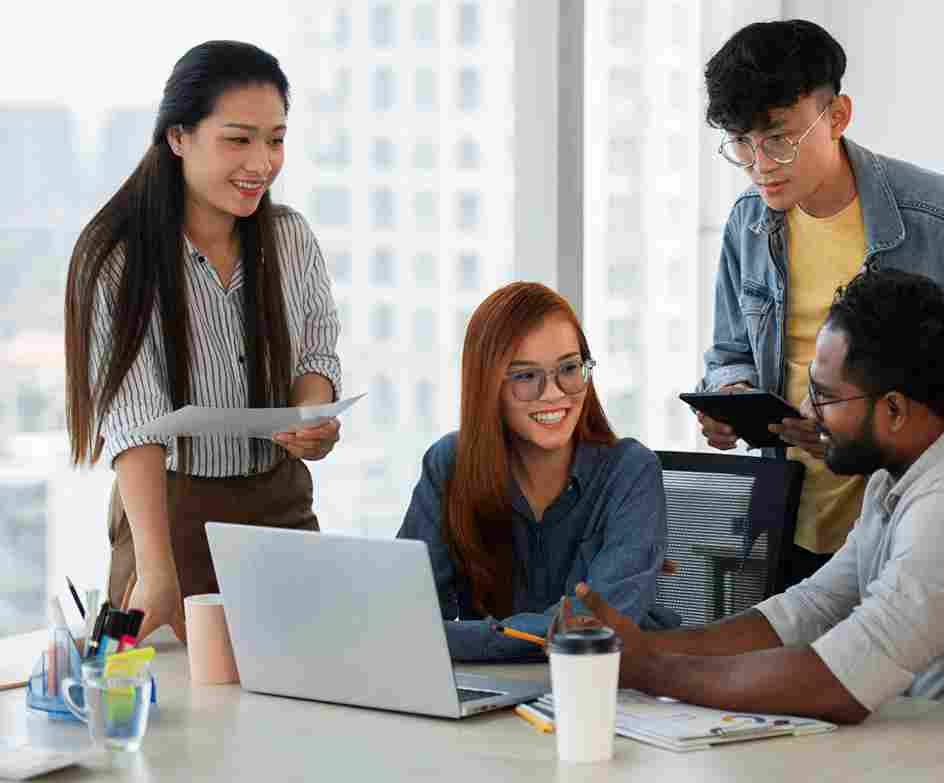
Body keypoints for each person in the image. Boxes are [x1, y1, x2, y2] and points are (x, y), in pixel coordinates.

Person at [567, 270, 944, 726]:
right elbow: (809, 610)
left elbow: (841, 683)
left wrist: (655, 670)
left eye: (826, 396)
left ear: (895, 409)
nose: (808, 412)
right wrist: (637, 650)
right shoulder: (906, 469)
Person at [696, 20, 944, 587]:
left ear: (837, 116)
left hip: (916, 523)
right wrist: (731, 395)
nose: (760, 165)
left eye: (779, 138)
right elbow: (730, 351)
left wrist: (870, 435)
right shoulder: (747, 223)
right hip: (788, 521)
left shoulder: (939, 217)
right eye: (741, 143)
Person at [65, 41, 342, 643]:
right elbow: (136, 423)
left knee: (306, 686)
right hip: (166, 518)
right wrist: (156, 571)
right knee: (165, 697)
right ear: (179, 136)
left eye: (276, 140)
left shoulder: (291, 238)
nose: (262, 163)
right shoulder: (115, 256)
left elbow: (317, 355)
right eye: (238, 140)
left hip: (281, 506)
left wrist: (311, 417)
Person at [398, 282, 670, 661]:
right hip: (488, 682)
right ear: (487, 385)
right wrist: (439, 637)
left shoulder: (631, 471)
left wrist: (459, 639)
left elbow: (593, 627)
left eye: (569, 369)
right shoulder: (449, 463)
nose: (554, 393)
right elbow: (406, 612)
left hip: (604, 681)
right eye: (526, 376)